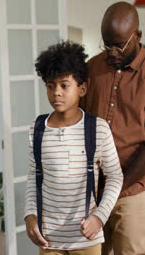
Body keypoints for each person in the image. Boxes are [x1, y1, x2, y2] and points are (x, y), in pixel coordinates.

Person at [80, 2, 145, 255]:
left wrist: (117, 187)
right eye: (106, 44)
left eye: (118, 45)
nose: (112, 52)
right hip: (93, 189)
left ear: (138, 36)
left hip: (134, 190)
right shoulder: (91, 69)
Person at [24, 41, 124, 255]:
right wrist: (30, 215)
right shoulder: (37, 129)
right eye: (50, 86)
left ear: (82, 88)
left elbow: (115, 176)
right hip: (48, 238)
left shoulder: (97, 129)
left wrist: (99, 217)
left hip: (86, 238)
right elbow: (34, 176)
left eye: (64, 85)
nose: (56, 93)